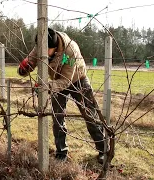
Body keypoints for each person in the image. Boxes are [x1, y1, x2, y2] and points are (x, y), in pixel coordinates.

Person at [17, 28, 105, 164]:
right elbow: (30, 62)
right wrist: (23, 68)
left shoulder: (70, 51)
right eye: (40, 50)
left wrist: (45, 86)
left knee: (90, 116)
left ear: (54, 47)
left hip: (77, 80)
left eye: (46, 51)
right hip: (55, 80)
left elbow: (66, 81)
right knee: (57, 117)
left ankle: (103, 150)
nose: (42, 54)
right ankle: (61, 152)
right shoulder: (42, 45)